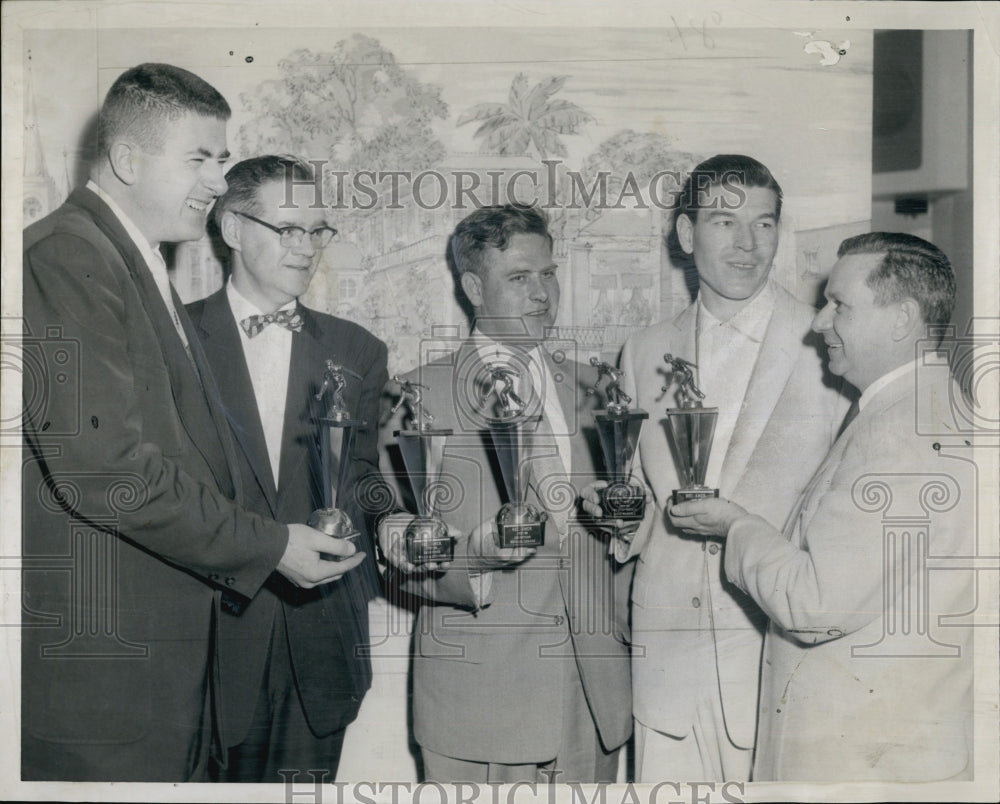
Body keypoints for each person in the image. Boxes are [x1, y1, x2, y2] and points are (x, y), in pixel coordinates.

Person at [21, 65, 361, 782]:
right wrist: (271, 545)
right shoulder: (69, 255)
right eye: (199, 158)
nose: (216, 180)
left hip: (157, 680)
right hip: (108, 691)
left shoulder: (133, 259)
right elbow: (108, 470)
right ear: (128, 159)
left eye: (222, 158)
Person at [669, 232, 974, 781]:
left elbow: (813, 604)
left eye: (840, 305)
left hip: (857, 761)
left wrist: (736, 525)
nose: (819, 322)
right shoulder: (927, 405)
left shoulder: (897, 434)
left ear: (902, 319)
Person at [583, 155, 849, 782]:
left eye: (763, 225)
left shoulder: (826, 345)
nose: (747, 245)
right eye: (725, 222)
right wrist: (620, 515)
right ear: (685, 235)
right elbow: (650, 503)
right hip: (666, 661)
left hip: (774, 651)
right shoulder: (644, 348)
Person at [378, 204, 632, 783]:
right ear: (473, 287)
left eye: (548, 273)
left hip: (594, 698)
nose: (542, 293)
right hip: (482, 707)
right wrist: (477, 556)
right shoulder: (418, 396)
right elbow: (393, 556)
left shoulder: (596, 390)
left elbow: (615, 536)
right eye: (519, 279)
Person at [185, 155, 388, 782]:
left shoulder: (358, 349)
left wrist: (398, 524)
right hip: (204, 648)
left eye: (317, 231)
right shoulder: (176, 340)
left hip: (319, 646)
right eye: (288, 229)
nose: (306, 248)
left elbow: (360, 478)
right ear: (233, 227)